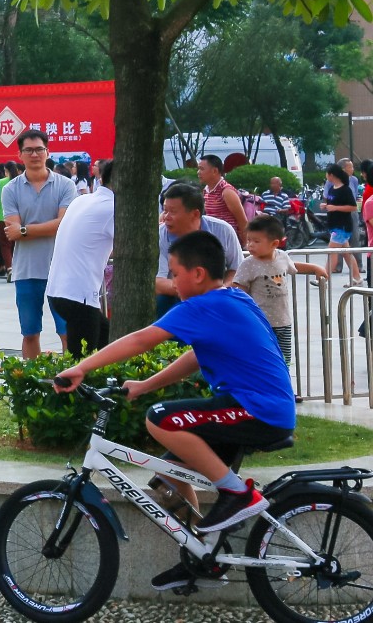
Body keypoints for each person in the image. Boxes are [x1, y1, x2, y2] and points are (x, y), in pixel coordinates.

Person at [56, 230, 295, 592]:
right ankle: (202, 555)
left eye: (174, 273)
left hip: (256, 410)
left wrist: (82, 367)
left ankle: (237, 495)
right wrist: (145, 385)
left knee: (159, 418)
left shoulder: (205, 305)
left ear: (197, 274)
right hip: (257, 408)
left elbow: (141, 339)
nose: (171, 282)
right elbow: (197, 355)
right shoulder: (233, 299)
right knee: (170, 477)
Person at [2, 128, 77, 358]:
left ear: (47, 152)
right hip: (26, 270)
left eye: (39, 149)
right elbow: (11, 232)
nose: (35, 154)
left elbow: (64, 224)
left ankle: (72, 382)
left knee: (67, 332)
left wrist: (24, 229)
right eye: (29, 150)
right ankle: (30, 384)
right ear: (20, 155)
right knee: (30, 333)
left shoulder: (66, 185)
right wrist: (46, 227)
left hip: (61, 269)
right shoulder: (10, 189)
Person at [234, 213, 328, 366]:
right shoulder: (248, 264)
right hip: (260, 323)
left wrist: (315, 267)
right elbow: (239, 290)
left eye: (256, 241)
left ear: (274, 244)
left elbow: (293, 267)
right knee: (262, 361)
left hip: (283, 322)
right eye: (249, 240)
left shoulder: (282, 257)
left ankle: (282, 387)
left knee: (284, 361)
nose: (250, 245)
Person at [46, 159, 116, 358]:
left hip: (58, 291)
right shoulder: (113, 207)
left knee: (105, 338)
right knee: (83, 362)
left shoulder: (82, 200)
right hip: (79, 295)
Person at [156, 183, 243, 316]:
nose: (166, 217)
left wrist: (219, 291)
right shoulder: (159, 235)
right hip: (174, 299)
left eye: (172, 211)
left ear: (195, 214)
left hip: (220, 299)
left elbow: (237, 270)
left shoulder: (223, 230)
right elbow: (158, 282)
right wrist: (199, 292)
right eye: (165, 210)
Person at [323, 163, 360, 282]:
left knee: (332, 252)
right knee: (346, 254)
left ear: (332, 175)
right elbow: (332, 204)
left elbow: (353, 207)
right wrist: (327, 206)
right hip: (334, 225)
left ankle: (323, 278)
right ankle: (357, 278)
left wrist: (335, 208)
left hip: (342, 226)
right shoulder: (332, 189)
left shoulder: (345, 189)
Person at [198, 154, 246, 232]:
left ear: (215, 171)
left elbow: (242, 221)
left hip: (227, 239)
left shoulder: (227, 191)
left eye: (202, 169)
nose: (198, 172)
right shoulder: (206, 191)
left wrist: (246, 243)